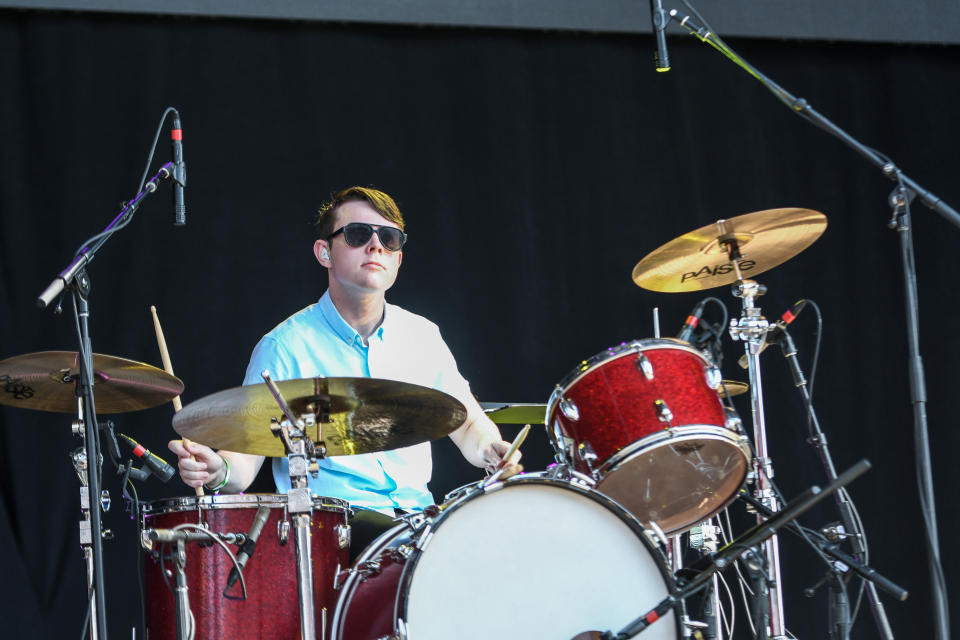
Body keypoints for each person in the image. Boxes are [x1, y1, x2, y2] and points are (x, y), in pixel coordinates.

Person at [168, 186, 521, 549]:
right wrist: (216, 471)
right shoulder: (285, 347)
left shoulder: (423, 335)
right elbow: (243, 462)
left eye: (389, 238)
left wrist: (491, 449)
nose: (376, 246)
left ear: (398, 259)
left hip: (420, 522)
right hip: (333, 532)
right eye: (357, 234)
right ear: (325, 252)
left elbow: (468, 424)